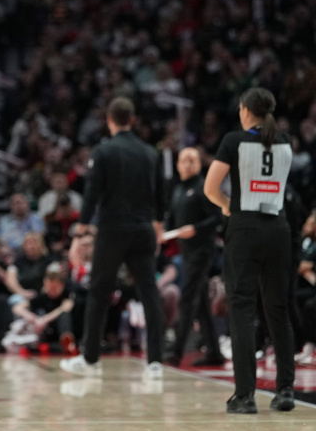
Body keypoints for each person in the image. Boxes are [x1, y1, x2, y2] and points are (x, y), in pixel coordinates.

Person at [203, 87, 296, 413]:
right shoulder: (285, 141)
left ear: (245, 110)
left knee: (241, 309)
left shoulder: (234, 141)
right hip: (279, 230)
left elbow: (210, 188)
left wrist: (228, 206)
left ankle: (245, 396)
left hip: (245, 229)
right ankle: (285, 390)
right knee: (278, 309)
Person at [60, 97, 166, 380]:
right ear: (132, 120)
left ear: (109, 120)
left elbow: (92, 193)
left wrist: (81, 229)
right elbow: (161, 194)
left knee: (99, 292)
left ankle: (90, 358)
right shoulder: (149, 153)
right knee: (149, 293)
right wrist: (158, 225)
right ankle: (155, 362)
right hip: (143, 229)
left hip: (112, 231)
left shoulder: (104, 150)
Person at [163, 147, 224, 367]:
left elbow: (216, 219)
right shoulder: (178, 189)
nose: (187, 164)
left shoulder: (203, 188)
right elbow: (172, 218)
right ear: (177, 165)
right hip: (186, 252)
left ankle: (175, 352)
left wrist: (195, 229)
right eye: (183, 160)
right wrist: (162, 232)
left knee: (188, 297)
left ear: (199, 164)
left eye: (192, 160)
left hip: (202, 251)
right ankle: (215, 351)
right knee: (201, 305)